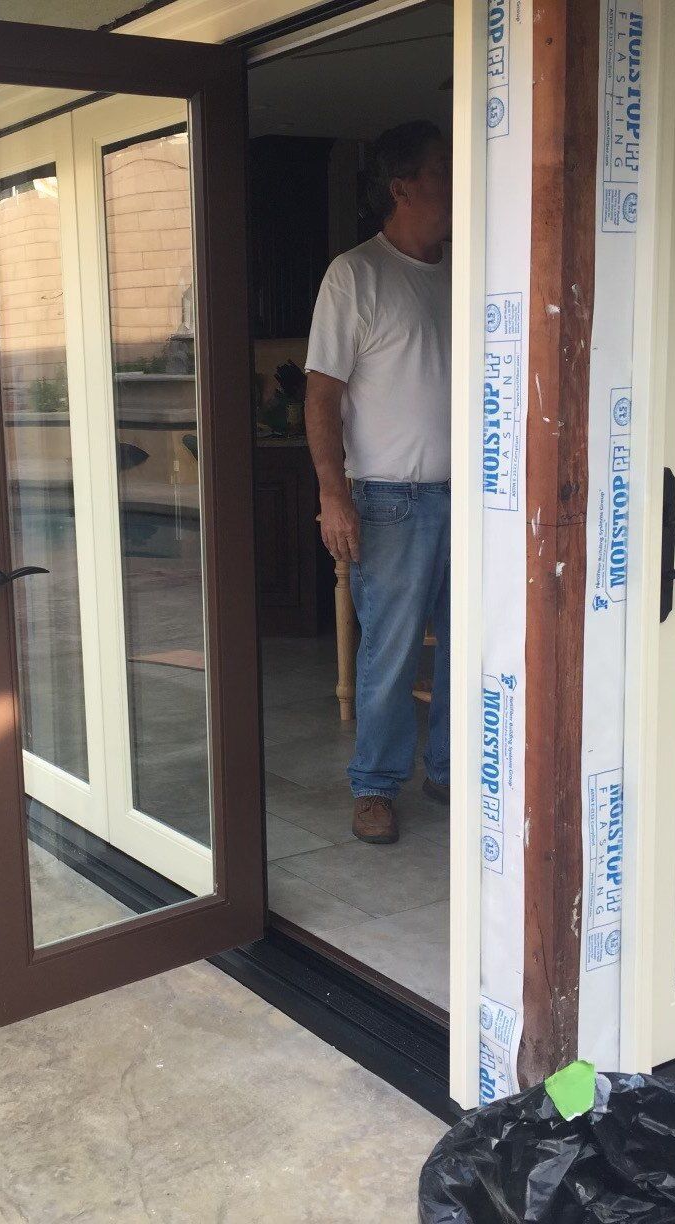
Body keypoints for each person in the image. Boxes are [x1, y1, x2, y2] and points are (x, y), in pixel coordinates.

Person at [304, 120, 453, 845]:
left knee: (471, 645)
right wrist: (333, 493)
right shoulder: (356, 274)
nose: (455, 182)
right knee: (390, 653)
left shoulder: (466, 270)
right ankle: (375, 785)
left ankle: (451, 770)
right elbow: (321, 395)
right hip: (392, 500)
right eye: (442, 170)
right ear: (403, 187)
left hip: (477, 499)